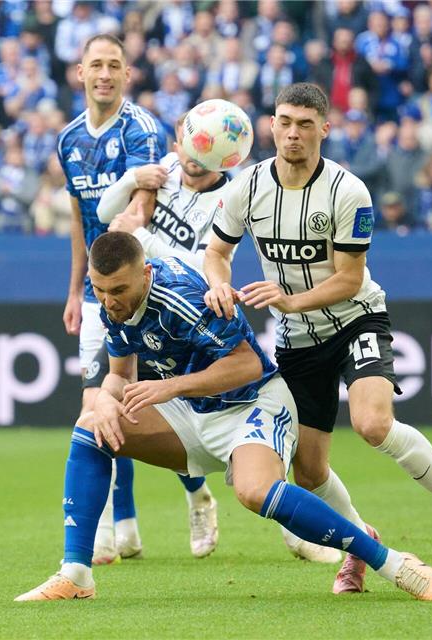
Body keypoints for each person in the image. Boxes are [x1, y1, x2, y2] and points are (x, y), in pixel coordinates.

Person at [14, 232, 432, 602]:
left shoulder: (182, 297)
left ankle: (391, 563)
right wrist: (108, 398)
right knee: (91, 426)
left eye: (118, 291)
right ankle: (76, 575)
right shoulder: (115, 302)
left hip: (252, 404)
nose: (109, 301)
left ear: (144, 274)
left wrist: (169, 387)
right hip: (192, 413)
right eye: (100, 290)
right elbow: (120, 374)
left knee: (254, 491)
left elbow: (248, 366)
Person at [203, 83, 432, 595]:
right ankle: (359, 541)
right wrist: (218, 283)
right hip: (298, 342)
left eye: (305, 124)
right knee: (309, 471)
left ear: (325, 129)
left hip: (356, 320)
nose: (293, 133)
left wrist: (289, 300)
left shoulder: (348, 191)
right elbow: (217, 252)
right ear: (271, 124)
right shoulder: (245, 187)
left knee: (373, 423)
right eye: (285, 121)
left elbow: (350, 278)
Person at [93, 113, 337, 563]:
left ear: (224, 154)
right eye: (187, 143)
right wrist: (132, 180)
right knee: (122, 407)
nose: (190, 155)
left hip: (191, 317)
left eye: (202, 147)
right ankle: (175, 506)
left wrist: (139, 235)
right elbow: (108, 217)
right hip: (143, 309)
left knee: (222, 420)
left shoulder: (232, 194)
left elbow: (199, 263)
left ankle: (293, 521)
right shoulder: (161, 174)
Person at [56, 33, 192, 565]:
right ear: (80, 72)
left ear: (127, 74)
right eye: (96, 65)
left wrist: (129, 203)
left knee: (142, 400)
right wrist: (74, 290)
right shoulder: (68, 139)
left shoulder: (141, 128)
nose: (105, 74)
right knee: (98, 404)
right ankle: (119, 526)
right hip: (96, 293)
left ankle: (194, 493)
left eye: (114, 65)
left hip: (144, 286)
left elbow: (142, 206)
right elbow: (76, 220)